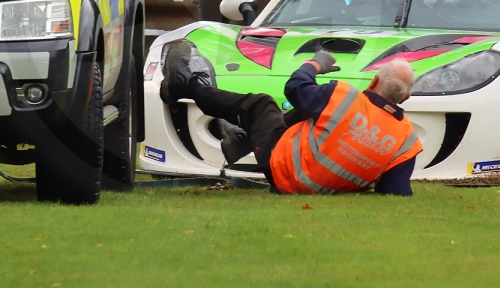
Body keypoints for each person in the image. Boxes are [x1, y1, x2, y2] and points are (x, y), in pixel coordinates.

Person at [160, 42, 423, 195]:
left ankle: (186, 85)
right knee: (313, 112)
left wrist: (315, 64)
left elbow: (294, 88)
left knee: (261, 104)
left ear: (375, 80)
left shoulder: (343, 97)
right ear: (407, 97)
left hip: (282, 170)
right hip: (322, 190)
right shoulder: (406, 141)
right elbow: (394, 192)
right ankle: (244, 139)